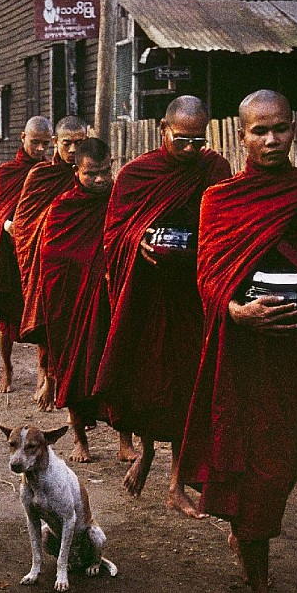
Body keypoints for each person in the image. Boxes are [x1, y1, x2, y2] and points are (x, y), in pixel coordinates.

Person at [178, 89, 297, 593]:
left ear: (294, 129)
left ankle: (248, 531)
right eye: (259, 131)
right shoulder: (220, 201)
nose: (271, 140)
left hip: (294, 353)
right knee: (246, 461)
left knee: (285, 454)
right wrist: (234, 308)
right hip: (239, 352)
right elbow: (206, 278)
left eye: (280, 129)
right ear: (242, 135)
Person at [89, 96, 231, 515]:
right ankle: (147, 452)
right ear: (162, 130)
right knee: (150, 380)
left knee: (191, 382)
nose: (190, 149)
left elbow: (225, 226)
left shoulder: (215, 169)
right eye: (181, 139)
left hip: (194, 291)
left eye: (198, 140)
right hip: (149, 294)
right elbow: (113, 235)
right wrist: (138, 241)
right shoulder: (136, 175)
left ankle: (176, 481)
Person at [31, 136, 115, 464]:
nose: (99, 180)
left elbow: (128, 236)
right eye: (90, 173)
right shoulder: (64, 206)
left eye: (105, 172)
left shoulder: (120, 199)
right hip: (72, 300)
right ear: (76, 172)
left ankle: (124, 439)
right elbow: (51, 253)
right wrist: (87, 269)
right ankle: (81, 439)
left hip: (110, 297)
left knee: (116, 365)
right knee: (74, 368)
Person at [12, 115, 90, 410]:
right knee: (49, 322)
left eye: (79, 143)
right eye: (66, 143)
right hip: (47, 261)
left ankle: (71, 387)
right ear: (55, 143)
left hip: (81, 262)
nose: (72, 150)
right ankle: (47, 376)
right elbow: (24, 221)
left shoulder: (91, 173)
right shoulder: (41, 175)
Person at [0, 116, 52, 394]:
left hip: (38, 252)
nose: (41, 149)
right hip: (11, 250)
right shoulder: (8, 171)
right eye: (35, 142)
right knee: (8, 316)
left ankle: (42, 373)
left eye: (46, 144)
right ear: (23, 138)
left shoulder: (51, 171)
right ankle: (7, 368)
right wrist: (8, 224)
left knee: (42, 312)